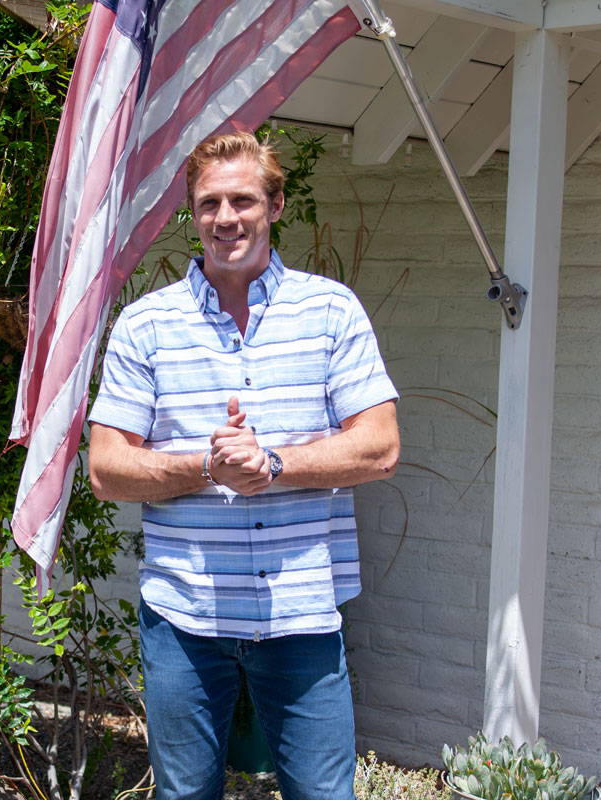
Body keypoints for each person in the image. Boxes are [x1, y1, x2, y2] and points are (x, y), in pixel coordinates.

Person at [88, 131, 400, 800]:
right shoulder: (147, 326)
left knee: (324, 795)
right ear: (192, 212)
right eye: (210, 203)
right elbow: (107, 467)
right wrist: (208, 465)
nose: (226, 217)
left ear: (276, 205)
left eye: (243, 200)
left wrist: (275, 463)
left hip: (301, 617)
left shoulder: (330, 311)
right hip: (185, 620)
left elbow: (380, 446)